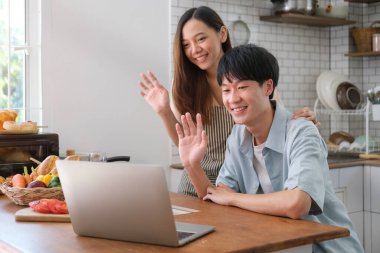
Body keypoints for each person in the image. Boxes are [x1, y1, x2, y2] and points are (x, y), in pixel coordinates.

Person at [175, 44, 364, 252]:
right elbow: (219, 198)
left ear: (268, 87)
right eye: (226, 90)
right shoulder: (237, 137)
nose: (232, 98)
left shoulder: (302, 132)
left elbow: (297, 204)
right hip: (280, 245)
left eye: (242, 87)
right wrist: (192, 165)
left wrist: (234, 198)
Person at [138, 6, 318, 197]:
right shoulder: (183, 85)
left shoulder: (253, 74)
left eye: (201, 39)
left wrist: (301, 121)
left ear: (222, 34)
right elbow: (186, 141)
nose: (195, 49)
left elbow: (275, 125)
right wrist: (164, 111)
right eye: (186, 44)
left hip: (243, 183)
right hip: (197, 181)